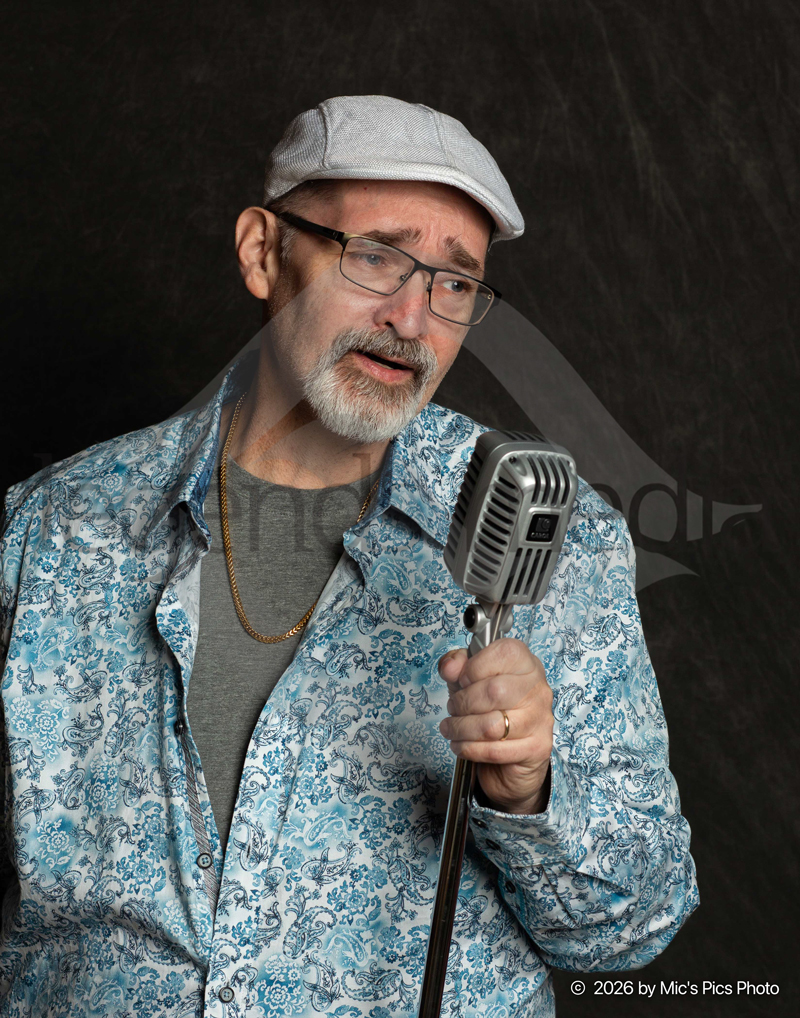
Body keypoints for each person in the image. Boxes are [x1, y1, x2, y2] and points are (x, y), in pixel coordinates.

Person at [0, 95, 698, 1018]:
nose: (412, 318)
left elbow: (633, 929)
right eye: (375, 257)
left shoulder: (552, 538)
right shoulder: (53, 530)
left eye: (455, 284)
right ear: (263, 252)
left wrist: (529, 794)